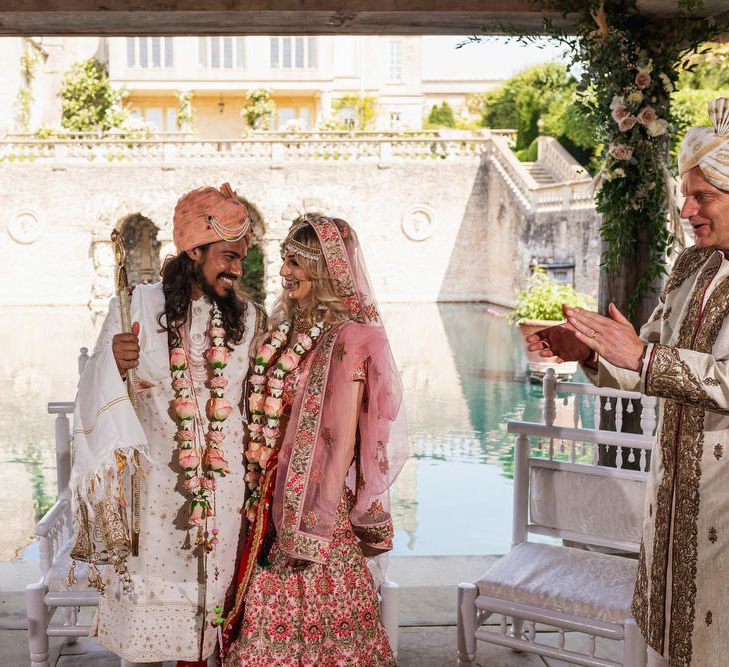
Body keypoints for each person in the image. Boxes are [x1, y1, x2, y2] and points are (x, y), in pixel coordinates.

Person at [527, 97, 729, 666]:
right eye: (685, 194)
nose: (686, 208)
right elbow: (642, 364)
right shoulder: (694, 268)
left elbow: (670, 364)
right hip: (673, 510)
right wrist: (588, 351)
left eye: (703, 196)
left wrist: (643, 357)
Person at [71, 183, 264, 666]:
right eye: (227, 256)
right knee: (150, 632)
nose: (237, 270)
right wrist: (113, 364)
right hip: (157, 495)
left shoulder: (251, 319)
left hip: (226, 496)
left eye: (241, 258)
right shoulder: (136, 306)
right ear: (193, 249)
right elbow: (92, 392)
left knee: (216, 629)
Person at [221, 214, 407, 666]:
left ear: (326, 269)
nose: (284, 271)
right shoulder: (283, 327)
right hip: (264, 492)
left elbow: (340, 440)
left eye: (296, 262)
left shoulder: (351, 339)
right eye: (285, 260)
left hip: (310, 503)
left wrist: (314, 518)